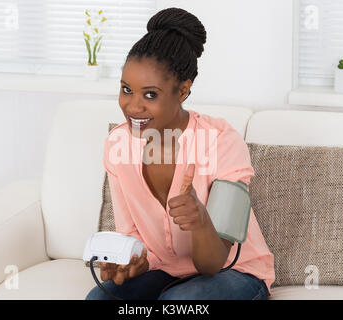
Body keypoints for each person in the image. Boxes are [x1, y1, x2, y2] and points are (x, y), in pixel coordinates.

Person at [86, 7, 274, 300]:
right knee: (99, 299)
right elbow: (133, 234)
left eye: (150, 95)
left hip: (235, 274)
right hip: (165, 271)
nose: (133, 107)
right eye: (126, 89)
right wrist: (132, 262)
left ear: (183, 91)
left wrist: (200, 220)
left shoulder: (221, 141)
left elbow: (213, 263)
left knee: (177, 304)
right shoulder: (117, 145)